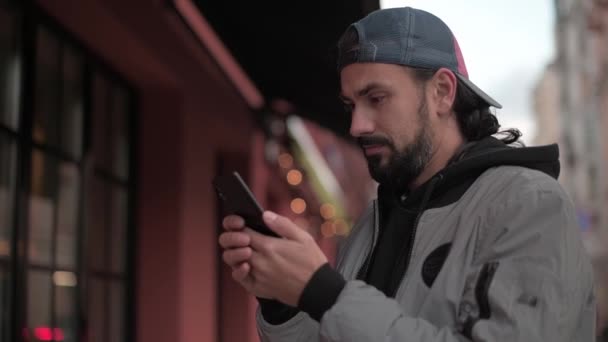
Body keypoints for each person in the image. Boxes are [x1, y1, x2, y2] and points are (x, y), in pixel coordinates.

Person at [218, 6, 596, 341]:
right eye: (350, 105)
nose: (356, 125)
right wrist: (284, 300)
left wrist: (323, 292)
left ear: (442, 92)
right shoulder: (375, 219)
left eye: (376, 98)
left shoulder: (527, 203)